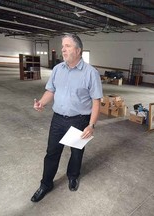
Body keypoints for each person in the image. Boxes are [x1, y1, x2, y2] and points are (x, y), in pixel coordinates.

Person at [31, 34, 103, 202]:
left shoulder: (91, 73)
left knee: (76, 152)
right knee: (51, 153)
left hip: (79, 120)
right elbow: (51, 91)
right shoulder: (57, 69)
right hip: (58, 119)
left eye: (68, 46)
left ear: (78, 50)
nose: (63, 49)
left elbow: (96, 102)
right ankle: (46, 184)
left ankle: (73, 176)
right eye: (63, 46)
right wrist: (42, 103)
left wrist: (91, 125)